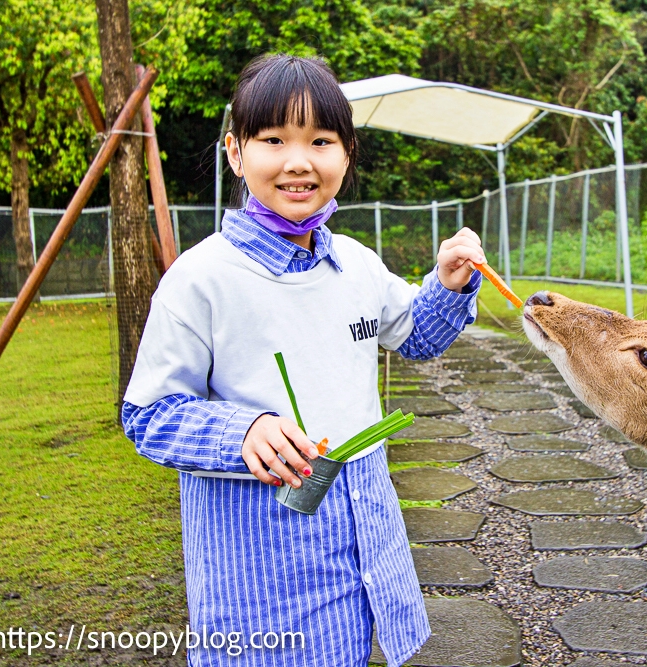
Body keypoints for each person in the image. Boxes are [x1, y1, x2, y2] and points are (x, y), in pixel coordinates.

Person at [121, 54, 485, 667]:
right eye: (273, 140)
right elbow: (149, 414)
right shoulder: (202, 279)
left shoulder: (357, 263)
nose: (298, 161)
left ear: (347, 154)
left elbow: (416, 336)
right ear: (236, 153)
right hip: (260, 559)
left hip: (363, 531)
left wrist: (447, 285)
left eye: (321, 140)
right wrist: (243, 430)